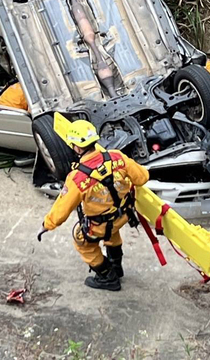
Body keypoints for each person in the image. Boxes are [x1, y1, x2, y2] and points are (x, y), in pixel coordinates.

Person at [36, 115, 149, 291]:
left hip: (100, 223)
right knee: (112, 233)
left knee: (82, 242)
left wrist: (47, 224)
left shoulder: (78, 178)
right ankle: (116, 267)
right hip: (123, 215)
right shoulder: (117, 157)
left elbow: (62, 208)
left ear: (76, 147)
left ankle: (107, 276)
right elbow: (142, 177)